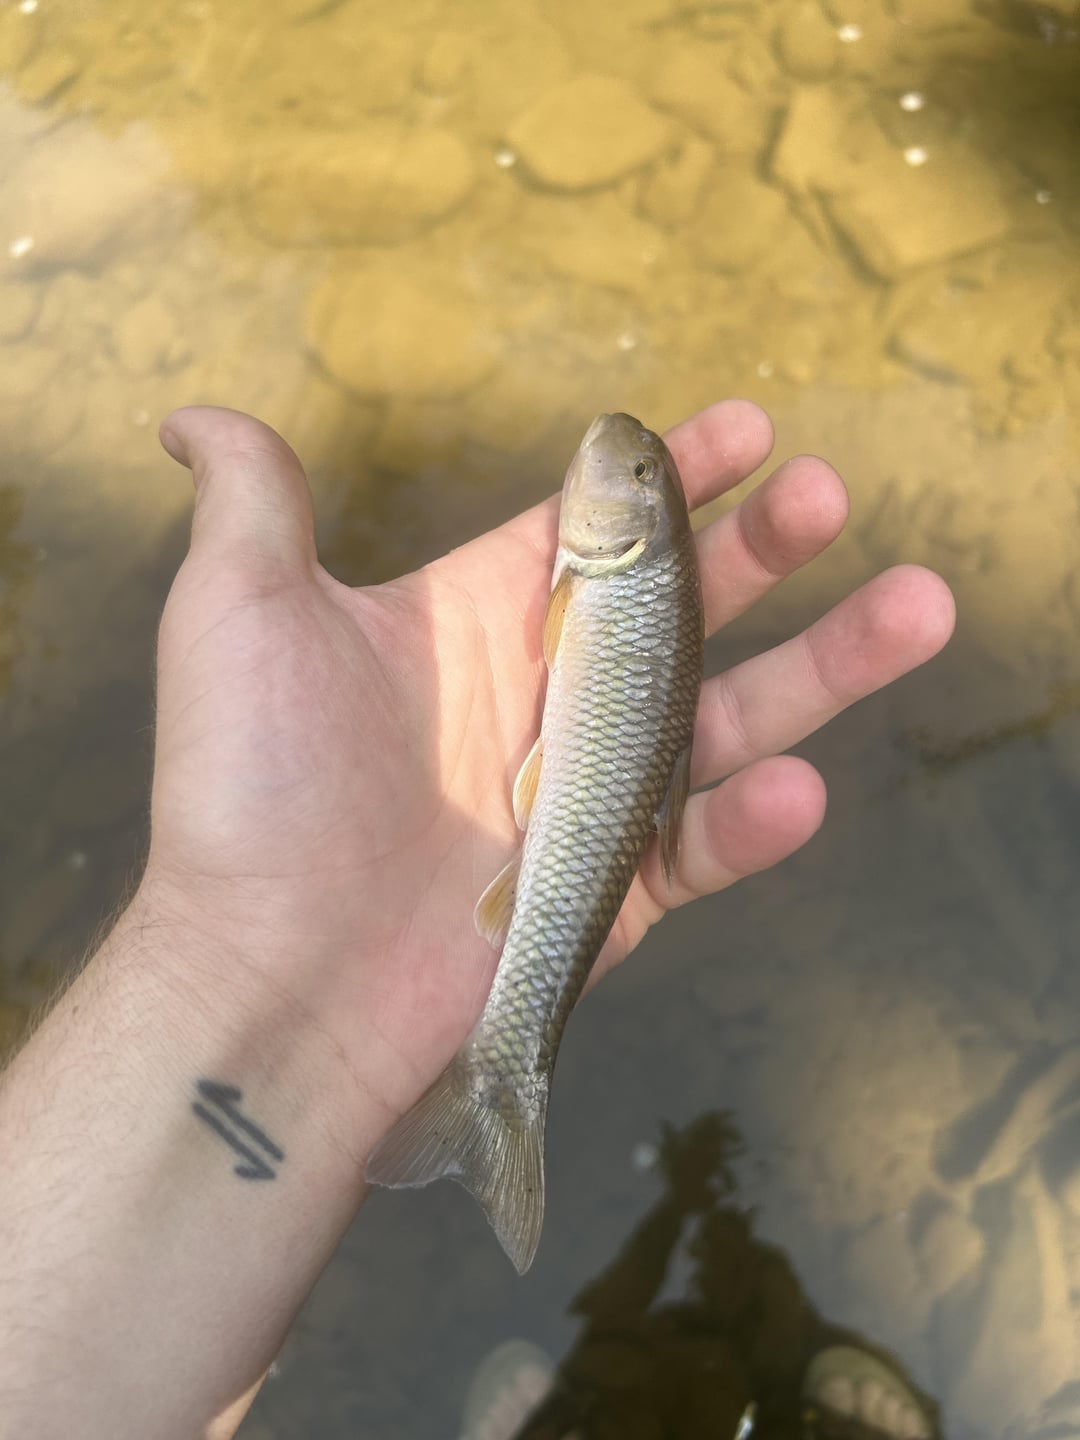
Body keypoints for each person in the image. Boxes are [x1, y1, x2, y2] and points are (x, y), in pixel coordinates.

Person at [0, 401, 955, 1440]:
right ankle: (504, 1094)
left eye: (639, 480)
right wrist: (229, 949)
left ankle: (503, 1088)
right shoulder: (622, 579)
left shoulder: (624, 579)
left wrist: (226, 965)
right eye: (647, 476)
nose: (623, 464)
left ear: (638, 529)